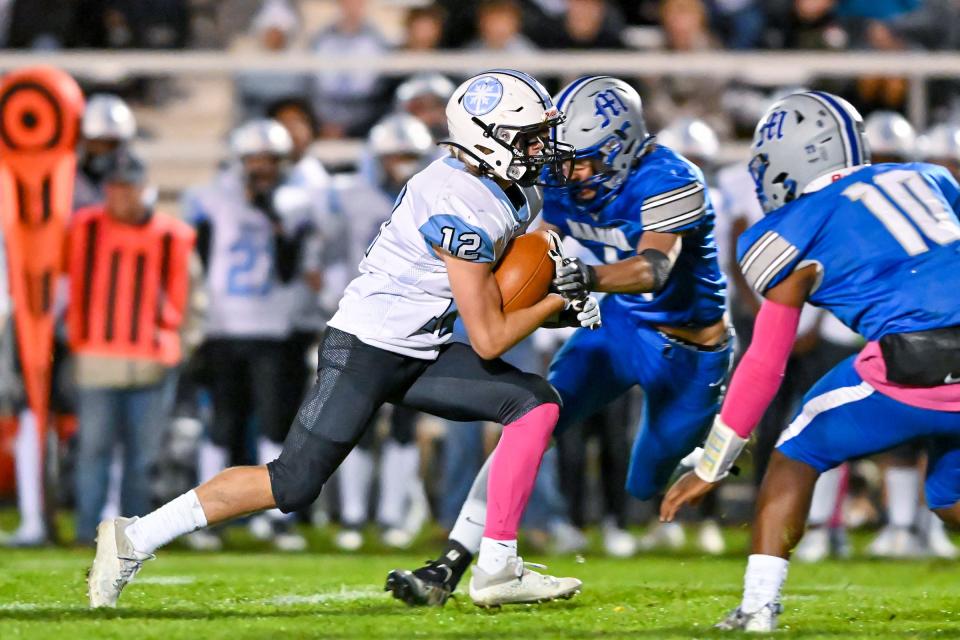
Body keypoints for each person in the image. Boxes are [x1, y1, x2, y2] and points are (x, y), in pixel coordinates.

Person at [87, 69, 599, 609]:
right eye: (529, 138)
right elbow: (492, 335)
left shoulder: (505, 192)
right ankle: (134, 538)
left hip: (419, 348)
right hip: (367, 349)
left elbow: (493, 301)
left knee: (535, 405)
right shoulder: (459, 201)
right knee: (291, 483)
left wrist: (554, 308)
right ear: (485, 138)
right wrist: (555, 302)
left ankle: (497, 564)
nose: (542, 149)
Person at [387, 75, 730, 607]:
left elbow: (654, 267)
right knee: (531, 422)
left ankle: (711, 448)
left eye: (580, 159)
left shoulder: (671, 178)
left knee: (646, 479)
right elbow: (538, 249)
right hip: (619, 327)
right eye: (558, 155)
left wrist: (586, 278)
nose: (563, 170)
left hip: (689, 350)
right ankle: (451, 564)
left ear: (621, 147)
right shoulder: (564, 183)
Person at [661, 90, 960, 632]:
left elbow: (765, 363)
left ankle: (756, 609)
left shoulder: (787, 230)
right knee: (947, 494)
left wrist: (713, 463)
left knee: (795, 453)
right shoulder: (929, 176)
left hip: (914, 363)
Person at [180, 119, 317, 552]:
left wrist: (275, 219)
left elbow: (291, 268)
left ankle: (273, 518)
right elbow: (197, 261)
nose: (260, 168)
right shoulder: (211, 197)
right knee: (221, 424)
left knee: (275, 426)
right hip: (223, 326)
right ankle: (207, 518)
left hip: (274, 327)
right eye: (253, 159)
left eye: (269, 159)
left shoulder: (297, 201)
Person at [68, 151, 195, 545]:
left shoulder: (174, 234)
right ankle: (86, 534)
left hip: (152, 362)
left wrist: (183, 345)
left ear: (144, 189)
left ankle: (133, 540)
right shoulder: (82, 227)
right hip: (96, 360)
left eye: (128, 187)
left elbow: (194, 297)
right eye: (114, 187)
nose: (120, 196)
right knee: (93, 453)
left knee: (144, 460)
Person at [328, 113, 436, 551]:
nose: (401, 164)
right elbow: (329, 254)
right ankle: (354, 516)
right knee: (358, 421)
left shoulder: (436, 197)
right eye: (394, 156)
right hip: (363, 318)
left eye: (409, 155)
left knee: (405, 424)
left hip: (417, 319)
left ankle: (391, 515)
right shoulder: (348, 196)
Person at [74, 94, 137, 210]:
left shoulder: (133, 177)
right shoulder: (66, 176)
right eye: (98, 142)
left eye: (112, 144)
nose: (104, 150)